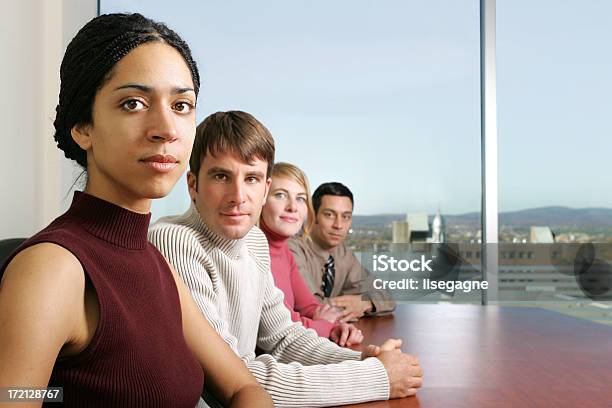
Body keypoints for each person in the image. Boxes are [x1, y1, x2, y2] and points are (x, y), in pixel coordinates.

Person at [0, 14, 272, 408]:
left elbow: (243, 388)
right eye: (133, 103)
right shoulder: (53, 269)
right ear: (83, 126)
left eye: (181, 105)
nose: (166, 128)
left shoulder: (152, 261)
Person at [149, 111, 423, 407]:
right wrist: (375, 377)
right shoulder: (174, 240)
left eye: (252, 178)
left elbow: (284, 337)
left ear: (265, 189)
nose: (238, 195)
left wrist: (362, 358)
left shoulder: (253, 241)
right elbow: (235, 380)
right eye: (221, 176)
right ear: (193, 185)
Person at [260, 162, 363, 347]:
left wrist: (338, 327)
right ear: (261, 199)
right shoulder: (256, 253)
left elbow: (308, 306)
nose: (292, 207)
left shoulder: (283, 251)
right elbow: (283, 326)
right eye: (280, 195)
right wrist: (325, 326)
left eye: (300, 198)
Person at [289, 182, 396, 322]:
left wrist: (365, 303)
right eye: (329, 215)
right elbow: (311, 307)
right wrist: (351, 306)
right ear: (312, 216)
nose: (338, 225)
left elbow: (387, 296)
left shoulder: (343, 255)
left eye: (346, 217)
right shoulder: (292, 249)